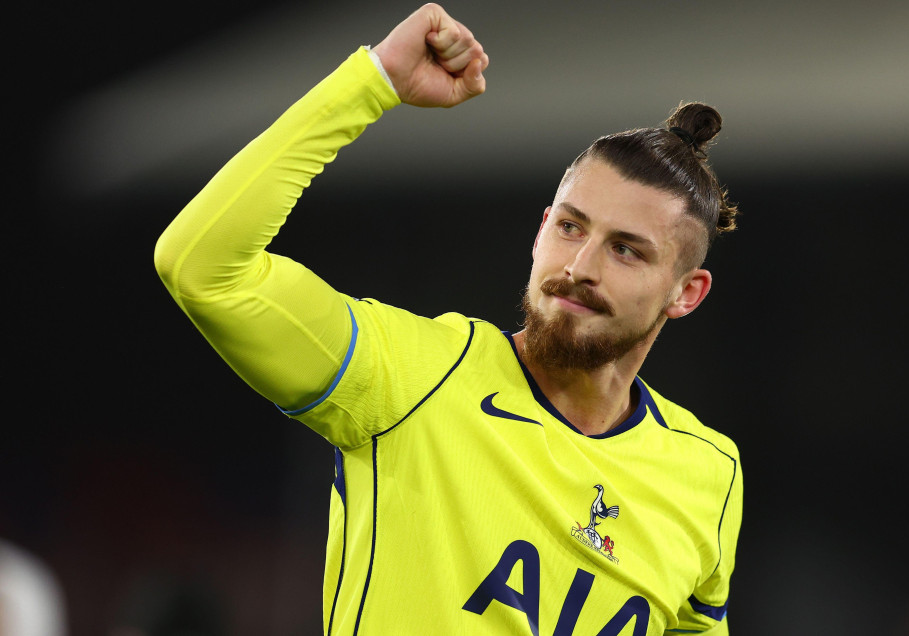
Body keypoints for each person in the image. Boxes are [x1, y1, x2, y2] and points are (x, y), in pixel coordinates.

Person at [154, 3, 743, 634]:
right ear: (541, 230)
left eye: (625, 249)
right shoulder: (413, 377)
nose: (580, 265)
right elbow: (202, 265)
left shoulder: (709, 472)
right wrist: (373, 82)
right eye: (571, 227)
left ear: (688, 292)